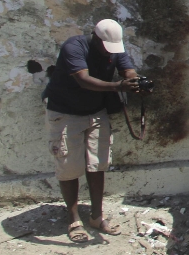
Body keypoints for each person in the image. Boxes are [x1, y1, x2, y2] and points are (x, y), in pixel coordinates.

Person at [44, 19, 140, 243]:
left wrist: (136, 82)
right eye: (106, 47)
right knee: (69, 167)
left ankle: (97, 216)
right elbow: (83, 80)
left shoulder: (115, 48)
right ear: (96, 38)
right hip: (66, 112)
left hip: (95, 111)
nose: (110, 52)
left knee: (97, 164)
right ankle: (74, 219)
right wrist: (118, 86)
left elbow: (128, 70)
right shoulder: (74, 47)